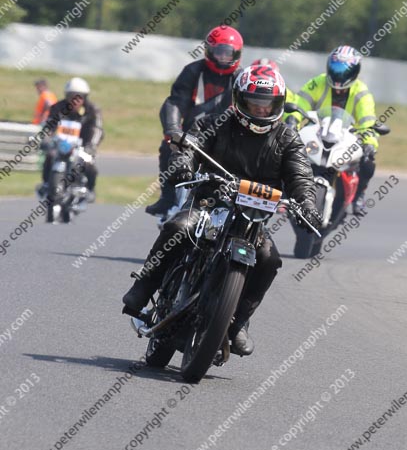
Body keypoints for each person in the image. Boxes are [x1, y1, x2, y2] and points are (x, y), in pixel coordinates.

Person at [122, 64, 321, 356]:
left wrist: (307, 205)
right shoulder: (214, 123)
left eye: (267, 105)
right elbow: (190, 148)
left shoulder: (288, 138)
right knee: (179, 227)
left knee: (269, 260)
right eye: (254, 103)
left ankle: (238, 322)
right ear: (239, 100)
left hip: (252, 218)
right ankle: (144, 286)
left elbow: (301, 176)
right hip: (209, 200)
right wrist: (183, 165)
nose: (261, 110)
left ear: (278, 104)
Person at [145, 25, 243, 217]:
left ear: (237, 54)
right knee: (168, 147)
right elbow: (175, 102)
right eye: (219, 52)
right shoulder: (193, 71)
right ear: (209, 51)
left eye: (228, 53)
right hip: (192, 135)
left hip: (228, 139)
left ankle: (240, 210)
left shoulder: (241, 78)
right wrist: (173, 130)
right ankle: (167, 198)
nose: (223, 57)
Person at [287, 45, 379, 215]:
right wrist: (292, 120)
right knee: (288, 149)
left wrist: (369, 143)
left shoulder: (362, 92)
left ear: (355, 72)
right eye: (336, 69)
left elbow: (368, 121)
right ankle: (283, 188)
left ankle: (359, 196)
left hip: (345, 139)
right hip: (316, 133)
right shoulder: (317, 82)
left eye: (344, 71)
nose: (339, 76)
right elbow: (300, 103)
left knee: (368, 162)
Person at [39, 78, 103, 202]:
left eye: (79, 97)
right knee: (50, 156)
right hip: (61, 144)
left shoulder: (92, 110)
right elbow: (49, 127)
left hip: (83, 146)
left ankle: (90, 189)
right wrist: (46, 139)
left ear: (85, 98)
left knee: (89, 164)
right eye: (71, 96)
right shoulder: (58, 108)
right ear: (66, 96)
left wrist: (91, 145)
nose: (75, 101)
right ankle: (46, 184)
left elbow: (97, 129)